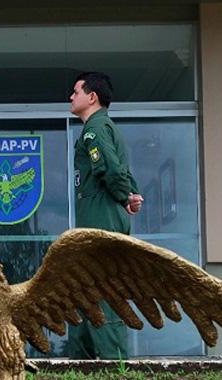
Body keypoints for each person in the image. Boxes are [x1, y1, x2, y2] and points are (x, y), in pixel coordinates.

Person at [67, 71, 144, 360]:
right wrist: (130, 194)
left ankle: (114, 363)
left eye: (76, 92)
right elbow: (120, 170)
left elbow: (111, 170)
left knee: (104, 287)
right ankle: (85, 359)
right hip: (102, 214)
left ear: (92, 96)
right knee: (89, 286)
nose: (71, 97)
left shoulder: (94, 130)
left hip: (101, 218)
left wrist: (125, 194)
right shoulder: (104, 127)